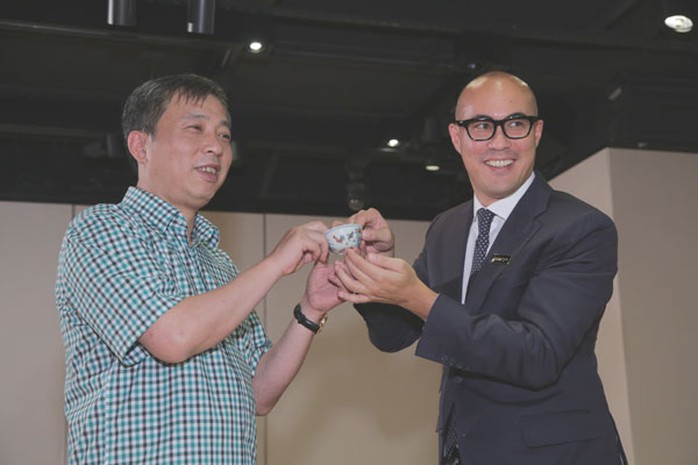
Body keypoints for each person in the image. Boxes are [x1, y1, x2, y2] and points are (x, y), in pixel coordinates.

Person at [333, 71, 627, 464]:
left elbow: (536, 354)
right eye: (482, 126)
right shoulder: (447, 228)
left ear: (537, 133)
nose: (500, 142)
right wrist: (371, 265)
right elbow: (394, 334)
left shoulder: (579, 228)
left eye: (516, 124)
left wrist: (420, 298)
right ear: (457, 138)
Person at [55, 73, 342, 464]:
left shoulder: (218, 263)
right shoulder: (100, 230)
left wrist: (310, 310)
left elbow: (259, 393)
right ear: (141, 145)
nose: (216, 147)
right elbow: (173, 336)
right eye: (195, 128)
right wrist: (275, 263)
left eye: (224, 135)